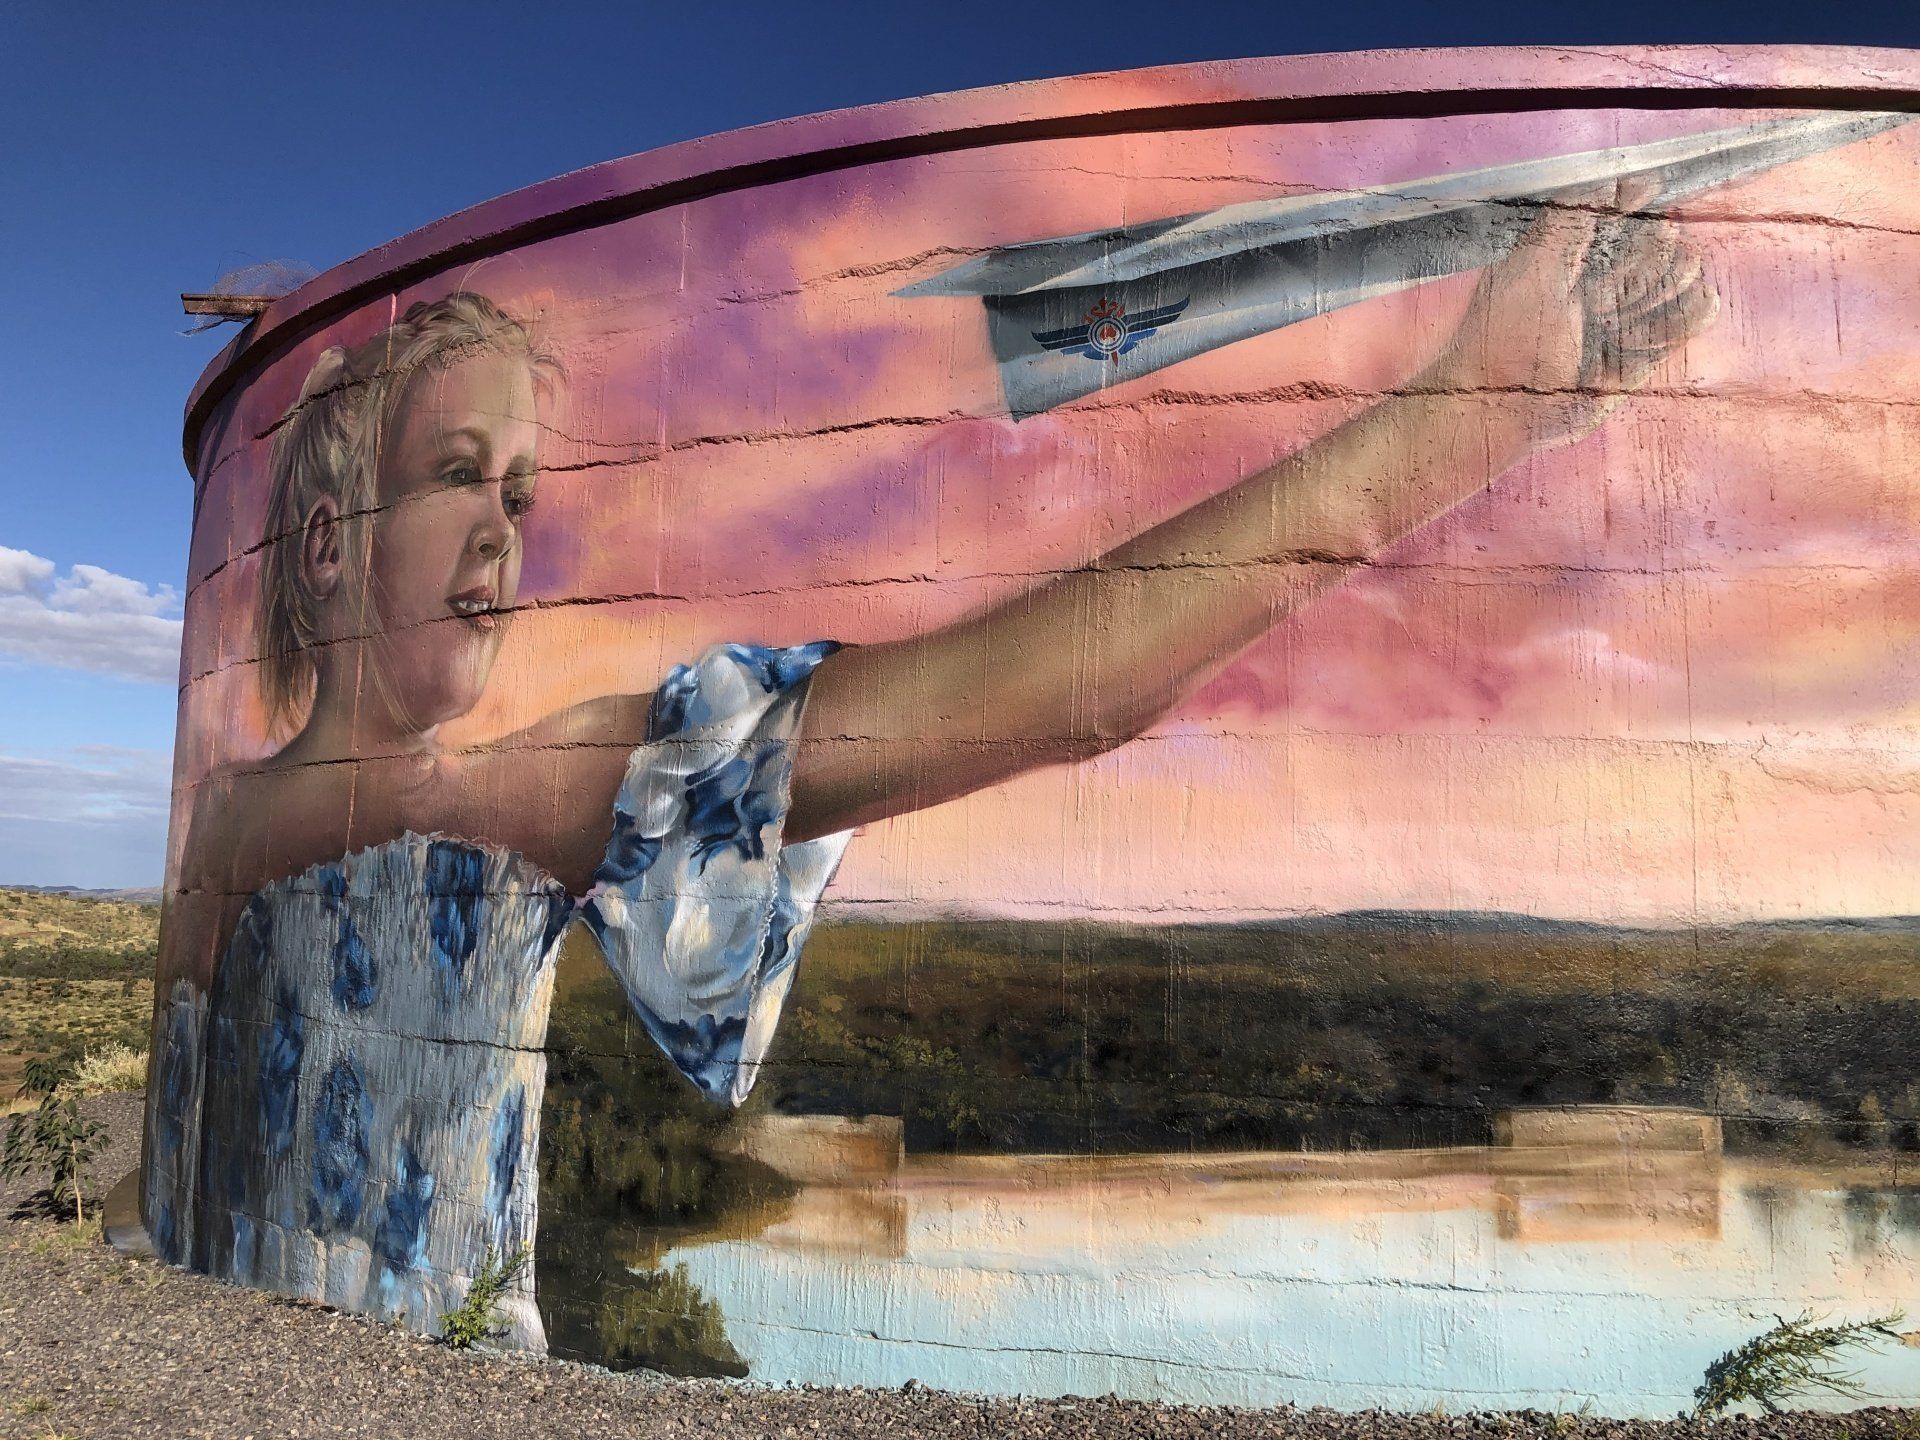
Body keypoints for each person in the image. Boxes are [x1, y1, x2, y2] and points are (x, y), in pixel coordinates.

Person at [144, 181, 1714, 1347]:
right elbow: (1061, 695)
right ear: (334, 539)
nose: (505, 529)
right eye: (456, 477)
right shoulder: (436, 802)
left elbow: (1040, 694)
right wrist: (1461, 419)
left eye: (524, 491)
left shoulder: (318, 809)